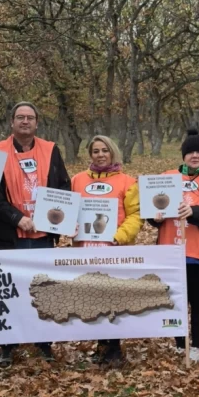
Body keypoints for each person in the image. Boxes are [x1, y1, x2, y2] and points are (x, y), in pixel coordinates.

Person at [0, 102, 71, 368]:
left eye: (30, 118)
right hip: (10, 236)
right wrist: (18, 218)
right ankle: (7, 347)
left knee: (43, 291)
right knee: (9, 292)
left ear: (37, 123)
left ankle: (44, 344)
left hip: (44, 237)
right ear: (11, 122)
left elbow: (64, 189)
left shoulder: (51, 149)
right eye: (20, 117)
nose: (25, 122)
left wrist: (62, 218)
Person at [152, 129, 199, 364]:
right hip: (169, 248)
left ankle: (195, 345)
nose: (195, 156)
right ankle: (178, 343)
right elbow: (151, 211)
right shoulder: (167, 176)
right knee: (173, 298)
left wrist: (194, 211)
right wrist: (155, 217)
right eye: (190, 152)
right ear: (183, 156)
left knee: (198, 299)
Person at [70, 135, 142, 367]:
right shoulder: (77, 180)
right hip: (86, 247)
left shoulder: (128, 181)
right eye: (95, 151)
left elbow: (136, 215)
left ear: (112, 152)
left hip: (115, 246)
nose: (100, 155)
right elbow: (70, 211)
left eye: (104, 150)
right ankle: (101, 346)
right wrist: (70, 228)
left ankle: (114, 347)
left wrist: (118, 236)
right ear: (90, 154)